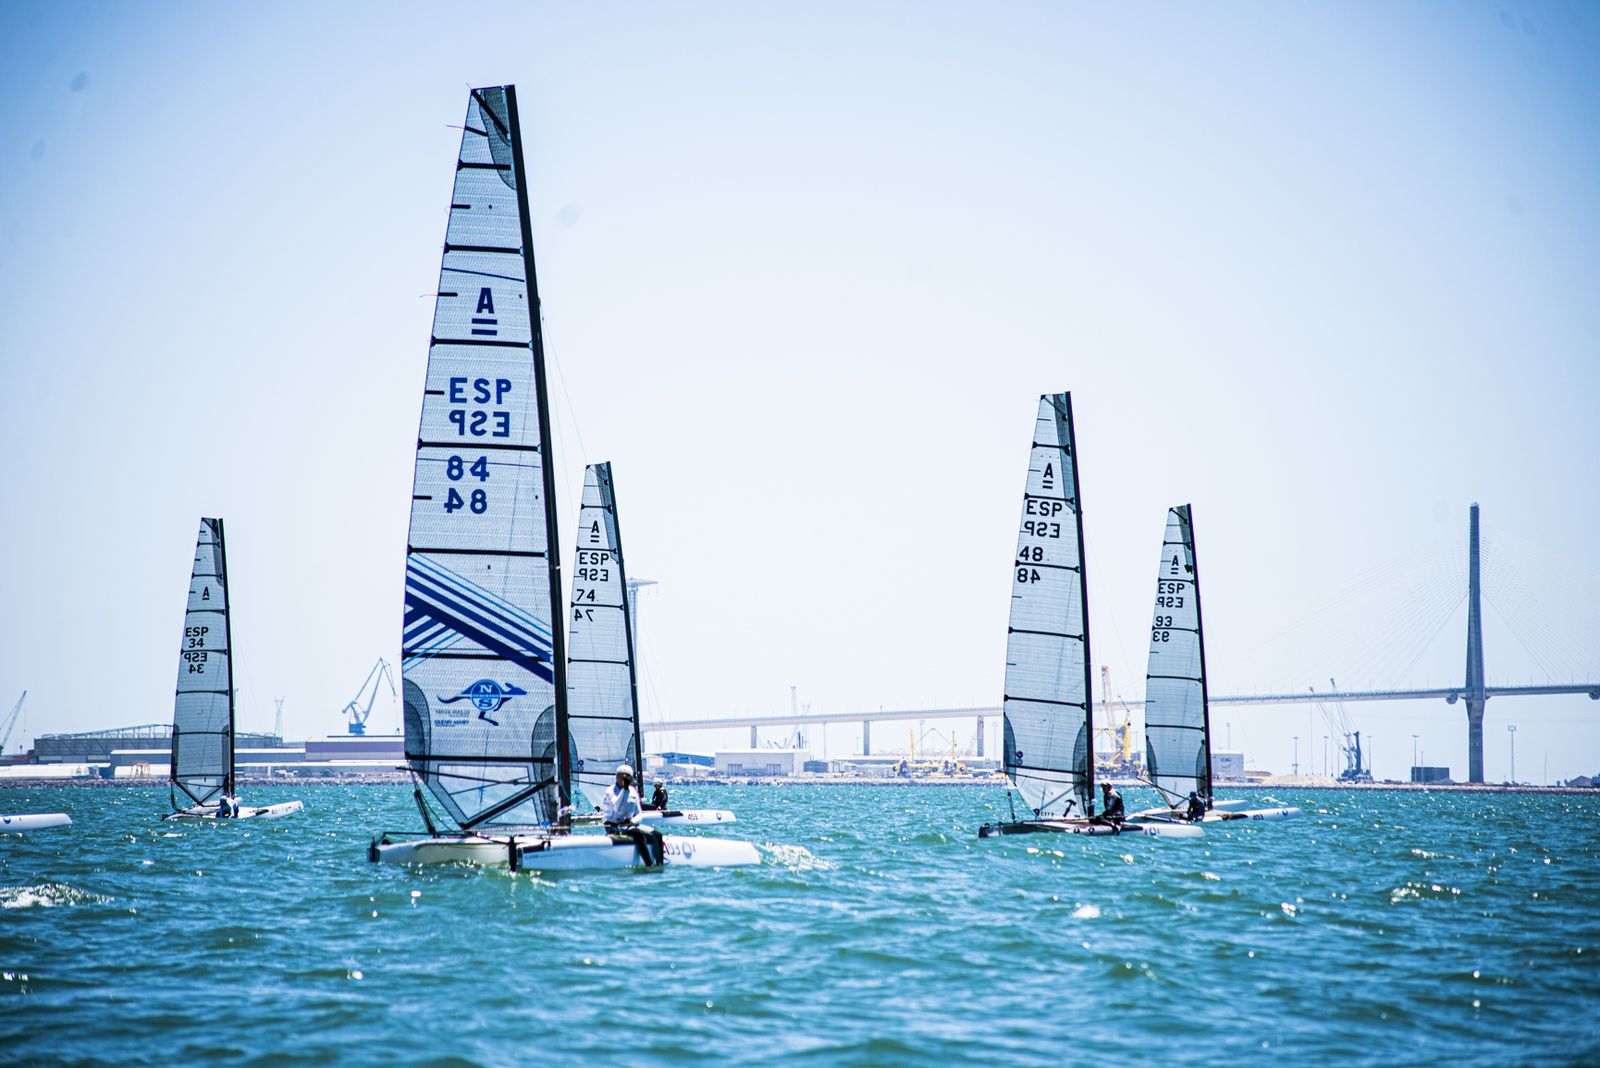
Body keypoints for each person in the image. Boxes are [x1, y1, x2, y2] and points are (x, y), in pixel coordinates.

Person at [600, 764, 663, 866]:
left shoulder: (633, 791)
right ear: (616, 776)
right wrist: (624, 790)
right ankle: (649, 865)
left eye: (626, 776)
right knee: (639, 835)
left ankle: (660, 864)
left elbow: (639, 814)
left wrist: (632, 821)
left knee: (657, 835)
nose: (623, 778)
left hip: (629, 824)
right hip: (613, 825)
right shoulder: (610, 791)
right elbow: (617, 807)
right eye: (620, 776)